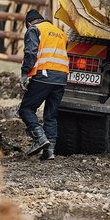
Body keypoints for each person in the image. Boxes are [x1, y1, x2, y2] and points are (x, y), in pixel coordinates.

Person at [18, 9, 68, 160]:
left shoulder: (34, 30)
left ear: (28, 23)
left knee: (26, 109)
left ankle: (40, 138)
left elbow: (31, 53)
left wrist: (24, 74)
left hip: (44, 75)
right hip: (62, 77)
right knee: (50, 115)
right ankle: (49, 151)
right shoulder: (60, 32)